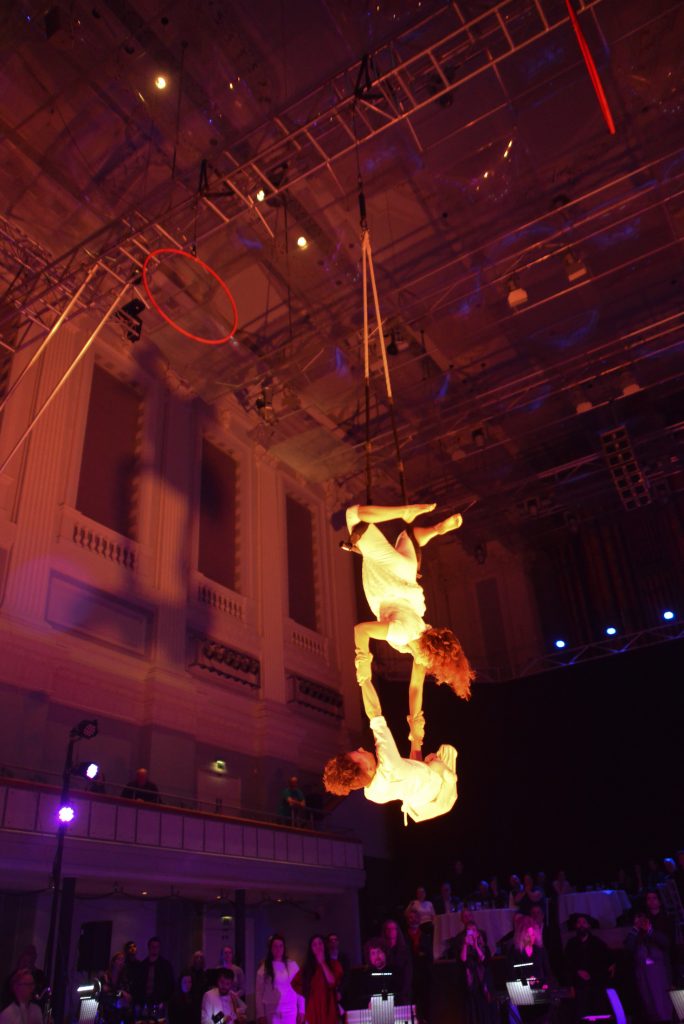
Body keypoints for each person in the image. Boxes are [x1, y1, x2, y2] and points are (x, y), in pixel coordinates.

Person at [344, 502, 474, 754]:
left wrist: (416, 734)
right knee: (354, 516)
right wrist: (363, 663)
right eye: (438, 672)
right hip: (389, 576)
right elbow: (361, 630)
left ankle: (436, 529)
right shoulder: (403, 633)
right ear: (433, 658)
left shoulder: (421, 642)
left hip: (406, 573)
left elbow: (415, 689)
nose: (432, 674)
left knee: (410, 538)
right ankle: (403, 511)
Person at [322, 700, 458, 824]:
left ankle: (437, 768)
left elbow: (411, 773)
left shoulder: (372, 794)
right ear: (366, 767)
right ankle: (442, 771)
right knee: (442, 763)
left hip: (420, 802)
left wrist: (415, 738)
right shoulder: (388, 765)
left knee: (431, 764)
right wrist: (364, 679)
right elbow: (375, 714)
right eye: (358, 753)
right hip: (437, 793)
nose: (361, 748)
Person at [624, 910, 672, 1023]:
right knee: (649, 1004)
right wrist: (635, 929)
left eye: (642, 918)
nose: (640, 922)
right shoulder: (633, 935)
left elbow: (665, 943)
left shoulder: (655, 932)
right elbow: (629, 948)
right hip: (643, 975)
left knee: (663, 1003)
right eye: (637, 918)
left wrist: (649, 930)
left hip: (659, 974)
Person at [563, 914, 613, 1021]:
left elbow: (607, 960)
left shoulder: (597, 942)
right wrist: (577, 972)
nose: (581, 925)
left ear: (589, 926)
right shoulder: (571, 944)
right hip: (579, 986)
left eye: (584, 922)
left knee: (599, 1012)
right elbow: (567, 964)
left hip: (596, 985)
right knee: (582, 1014)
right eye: (578, 923)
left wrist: (594, 974)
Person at [291, 935, 343, 1024]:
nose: (318, 946)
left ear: (324, 946)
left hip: (329, 1008)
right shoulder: (307, 968)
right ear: (311, 949)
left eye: (320, 943)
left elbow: (332, 981)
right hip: (313, 1010)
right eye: (314, 945)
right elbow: (294, 983)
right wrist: (308, 993)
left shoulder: (334, 964)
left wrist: (322, 962)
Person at [255, 934, 302, 1024]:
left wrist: (302, 1010)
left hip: (290, 1010)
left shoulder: (292, 965)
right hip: (271, 1010)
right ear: (271, 948)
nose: (278, 949)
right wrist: (260, 1015)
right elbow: (259, 993)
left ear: (284, 948)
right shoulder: (264, 967)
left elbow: (300, 989)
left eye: (281, 946)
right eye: (275, 946)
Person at [456, 921, 495, 1024]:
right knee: (472, 1013)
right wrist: (465, 944)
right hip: (470, 985)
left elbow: (484, 960)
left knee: (484, 1012)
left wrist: (476, 945)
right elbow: (463, 960)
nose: (472, 933)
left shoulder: (484, 948)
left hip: (483, 984)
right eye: (469, 930)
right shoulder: (463, 947)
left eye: (474, 930)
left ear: (477, 933)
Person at [135, 936, 175, 1009]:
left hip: (160, 1002)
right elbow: (138, 985)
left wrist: (165, 1001)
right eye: (152, 946)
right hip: (144, 1002)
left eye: (157, 947)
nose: (155, 949)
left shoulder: (166, 965)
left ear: (159, 948)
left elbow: (170, 985)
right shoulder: (142, 966)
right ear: (149, 948)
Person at [382, 920, 412, 1005]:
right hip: (386, 989)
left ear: (397, 931)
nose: (391, 931)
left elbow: (408, 972)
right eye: (388, 929)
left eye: (393, 929)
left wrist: (404, 990)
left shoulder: (404, 950)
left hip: (401, 990)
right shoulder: (382, 950)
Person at [99, 952, 133, 1024]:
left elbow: (129, 997)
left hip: (120, 1011)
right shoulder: (105, 977)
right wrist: (121, 992)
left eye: (123, 960)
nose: (121, 962)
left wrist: (123, 994)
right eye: (119, 959)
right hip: (106, 1011)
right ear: (113, 962)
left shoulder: (124, 979)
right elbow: (104, 992)